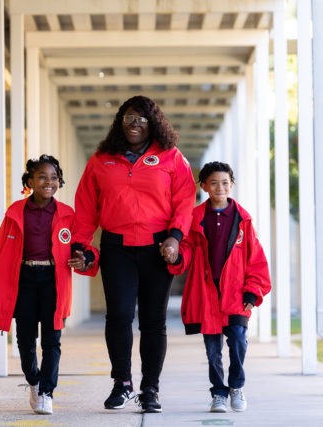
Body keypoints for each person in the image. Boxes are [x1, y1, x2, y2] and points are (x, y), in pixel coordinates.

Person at [69, 95, 196, 413]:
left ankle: (150, 389)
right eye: (129, 118)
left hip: (157, 249)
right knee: (120, 316)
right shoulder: (102, 159)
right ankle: (121, 383)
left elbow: (184, 199)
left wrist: (175, 237)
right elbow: (86, 206)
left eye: (142, 118)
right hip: (117, 248)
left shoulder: (170, 157)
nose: (135, 124)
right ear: (120, 122)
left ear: (153, 123)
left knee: (153, 322)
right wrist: (81, 245)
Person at [0, 154, 98, 415]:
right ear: (30, 181)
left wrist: (86, 257)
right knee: (25, 339)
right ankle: (34, 382)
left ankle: (47, 392)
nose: (49, 182)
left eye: (54, 178)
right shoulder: (15, 212)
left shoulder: (67, 215)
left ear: (59, 182)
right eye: (42, 177)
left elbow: (83, 244)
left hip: (53, 280)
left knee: (52, 339)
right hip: (24, 280)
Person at [167, 161, 271, 413]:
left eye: (224, 183)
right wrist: (177, 255)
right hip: (206, 293)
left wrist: (252, 291)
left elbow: (255, 258)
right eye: (213, 183)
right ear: (203, 186)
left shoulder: (243, 220)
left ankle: (236, 386)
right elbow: (189, 248)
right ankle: (218, 393)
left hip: (235, 293)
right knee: (212, 350)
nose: (219, 187)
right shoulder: (195, 218)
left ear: (232, 185)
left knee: (238, 341)